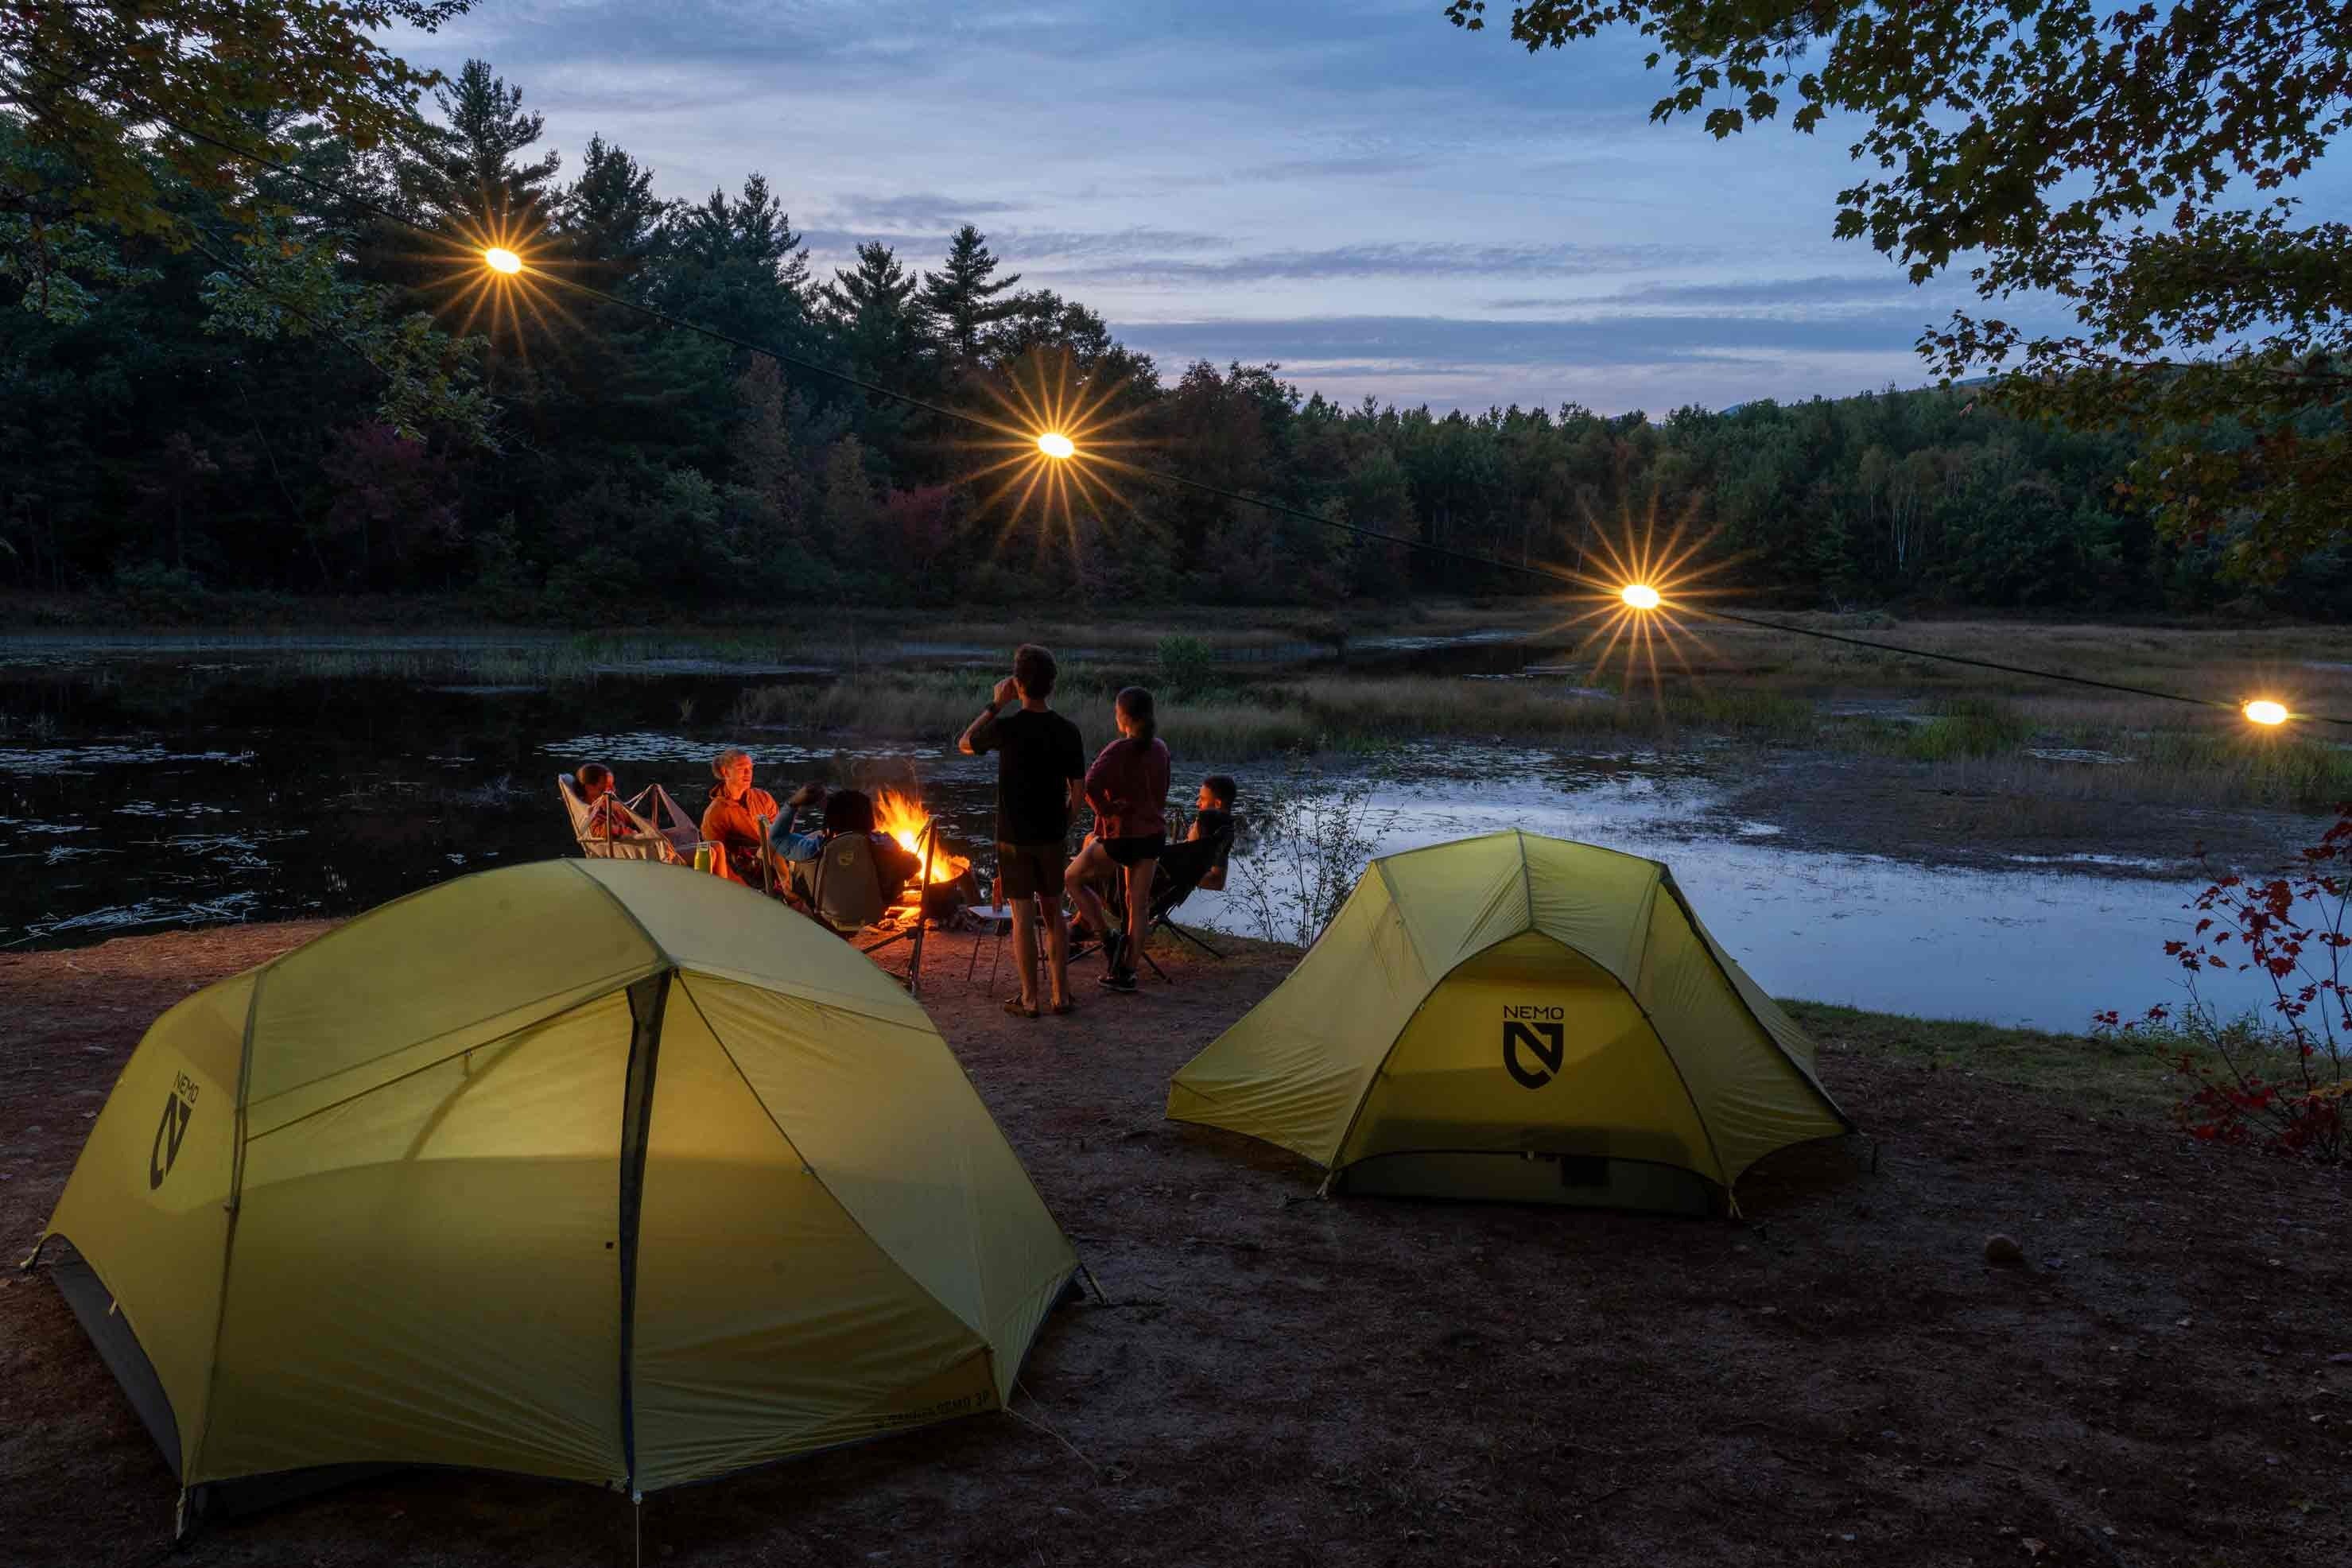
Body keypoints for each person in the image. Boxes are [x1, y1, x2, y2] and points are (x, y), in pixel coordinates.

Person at [958, 643, 1085, 1018]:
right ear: (1052, 684)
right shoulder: (1068, 731)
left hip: (1013, 838)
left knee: (1022, 918)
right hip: (1051, 837)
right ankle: (1061, 996)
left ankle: (1030, 999)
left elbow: (964, 743)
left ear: (1017, 684)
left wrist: (995, 704)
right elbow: (1078, 791)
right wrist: (1063, 824)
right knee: (1054, 914)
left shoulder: (1006, 728)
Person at [1065, 686, 1170, 993]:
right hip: (1153, 837)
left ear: (1124, 716)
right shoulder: (1160, 748)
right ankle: (1127, 972)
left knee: (1072, 878)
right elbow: (1162, 791)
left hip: (1124, 837)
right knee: (1138, 906)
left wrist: (1106, 810)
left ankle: (1106, 936)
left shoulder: (1118, 749)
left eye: (1116, 712)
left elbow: (1088, 785)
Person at [700, 747, 825, 887]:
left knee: (823, 837)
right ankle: (787, 885)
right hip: (752, 868)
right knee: (775, 842)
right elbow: (716, 856)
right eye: (742, 768)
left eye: (750, 768)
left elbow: (783, 832)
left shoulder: (762, 798)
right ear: (725, 772)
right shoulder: (715, 813)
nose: (748, 773)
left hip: (778, 853)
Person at [575, 763, 626, 840]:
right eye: (607, 785)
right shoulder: (590, 814)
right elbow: (599, 830)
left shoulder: (614, 807)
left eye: (612, 785)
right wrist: (621, 830)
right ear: (589, 788)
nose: (613, 790)